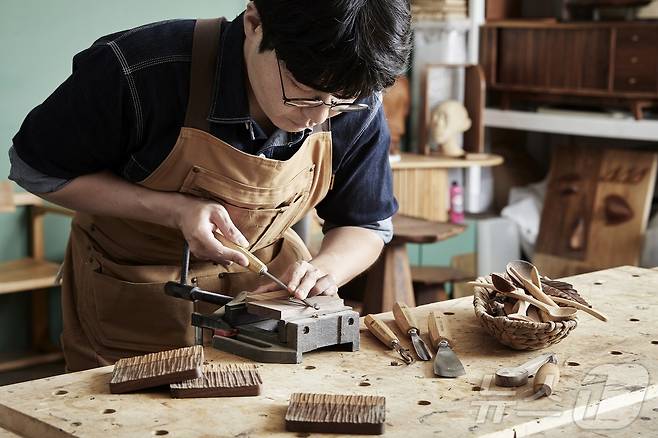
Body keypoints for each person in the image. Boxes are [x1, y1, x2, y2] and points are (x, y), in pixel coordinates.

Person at [8, 0, 412, 371]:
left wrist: (327, 269)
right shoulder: (140, 69)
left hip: (266, 310)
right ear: (255, 24)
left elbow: (366, 224)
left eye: (340, 103)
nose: (319, 117)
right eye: (304, 94)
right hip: (132, 296)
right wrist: (174, 209)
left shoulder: (351, 92)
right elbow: (36, 170)